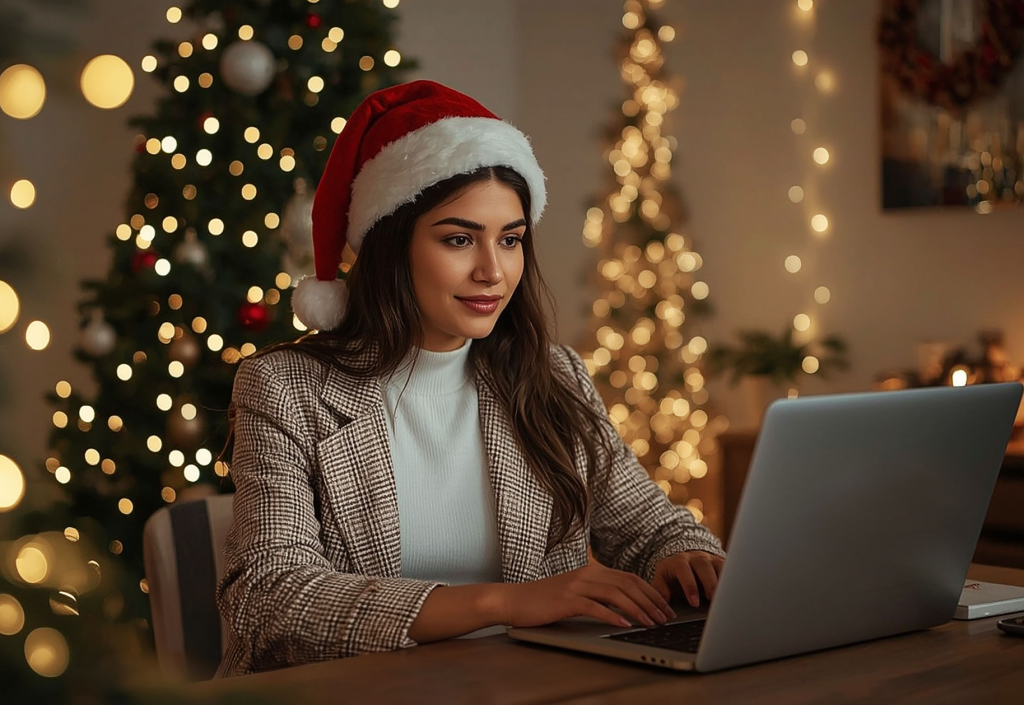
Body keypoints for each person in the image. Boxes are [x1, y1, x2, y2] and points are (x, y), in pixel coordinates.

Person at [215, 80, 725, 678]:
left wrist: (688, 557)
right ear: (391, 246)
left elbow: (648, 527)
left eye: (510, 240)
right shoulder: (284, 386)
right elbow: (270, 597)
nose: (493, 271)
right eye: (459, 240)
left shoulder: (554, 374)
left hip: (521, 687)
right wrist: (505, 603)